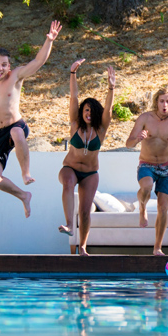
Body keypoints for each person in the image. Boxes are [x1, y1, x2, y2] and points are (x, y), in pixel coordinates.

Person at [0, 20, 62, 218]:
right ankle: (24, 195)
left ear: (9, 66)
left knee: (15, 132)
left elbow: (37, 62)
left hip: (17, 126)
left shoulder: (15, 77)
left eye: (4, 65)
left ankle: (26, 173)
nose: (0, 68)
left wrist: (49, 40)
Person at [58, 59, 117, 256]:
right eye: (86, 110)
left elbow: (109, 109)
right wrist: (73, 73)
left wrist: (111, 87)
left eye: (91, 110)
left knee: (85, 211)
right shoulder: (74, 124)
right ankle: (68, 224)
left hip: (90, 173)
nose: (88, 113)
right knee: (67, 182)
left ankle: (82, 247)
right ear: (81, 112)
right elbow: (74, 97)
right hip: (71, 169)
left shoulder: (101, 130)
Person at [125, 86, 168, 256]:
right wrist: (138, 139)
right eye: (162, 101)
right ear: (156, 102)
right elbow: (128, 143)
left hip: (167, 167)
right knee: (146, 186)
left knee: (163, 207)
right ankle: (142, 208)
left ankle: (157, 247)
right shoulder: (145, 118)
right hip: (147, 164)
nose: (165, 105)